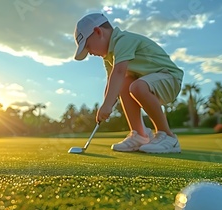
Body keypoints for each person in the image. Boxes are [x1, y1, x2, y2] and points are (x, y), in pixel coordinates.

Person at [73, 13, 184, 153]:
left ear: (98, 32)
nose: (89, 52)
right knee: (124, 83)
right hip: (150, 81)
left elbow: (119, 71)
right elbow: (112, 81)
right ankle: (140, 135)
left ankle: (168, 136)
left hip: (170, 78)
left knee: (136, 86)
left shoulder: (123, 40)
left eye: (88, 46)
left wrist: (107, 105)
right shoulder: (109, 57)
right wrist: (106, 104)